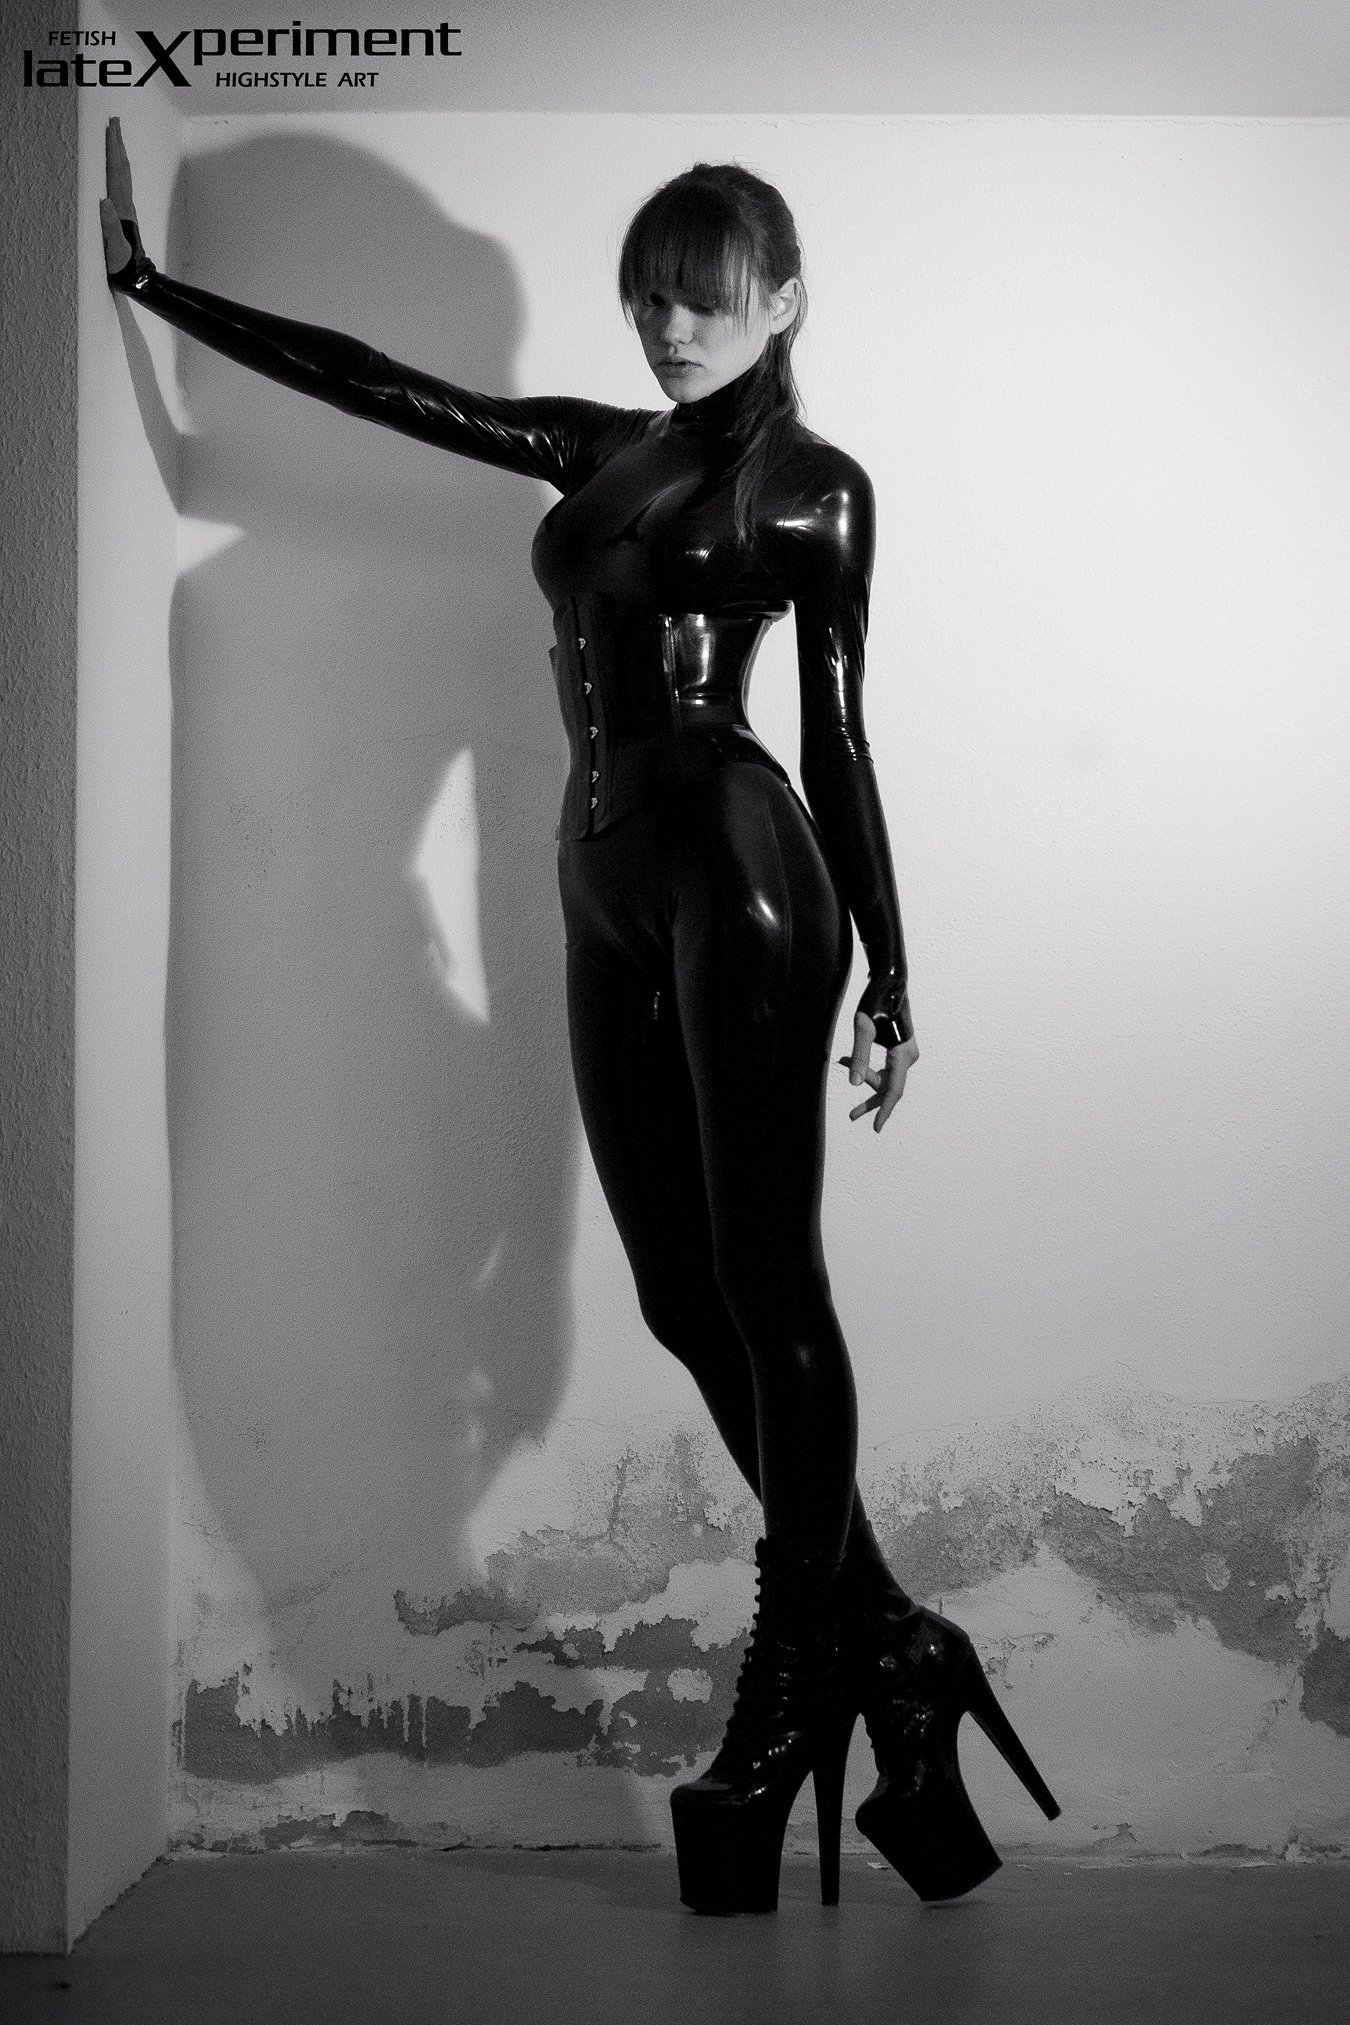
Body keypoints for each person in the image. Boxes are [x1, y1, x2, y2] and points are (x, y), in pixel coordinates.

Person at [101, 118, 1058, 1915]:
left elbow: (840, 735)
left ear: (782, 300)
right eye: (647, 298)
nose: (668, 327)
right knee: (678, 1292)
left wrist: (893, 972)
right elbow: (388, 388)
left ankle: (793, 1669)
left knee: (769, 1283)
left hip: (742, 874)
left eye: (702, 298)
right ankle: (894, 1642)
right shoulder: (601, 451)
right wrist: (158, 291)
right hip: (599, 875)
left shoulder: (814, 489)